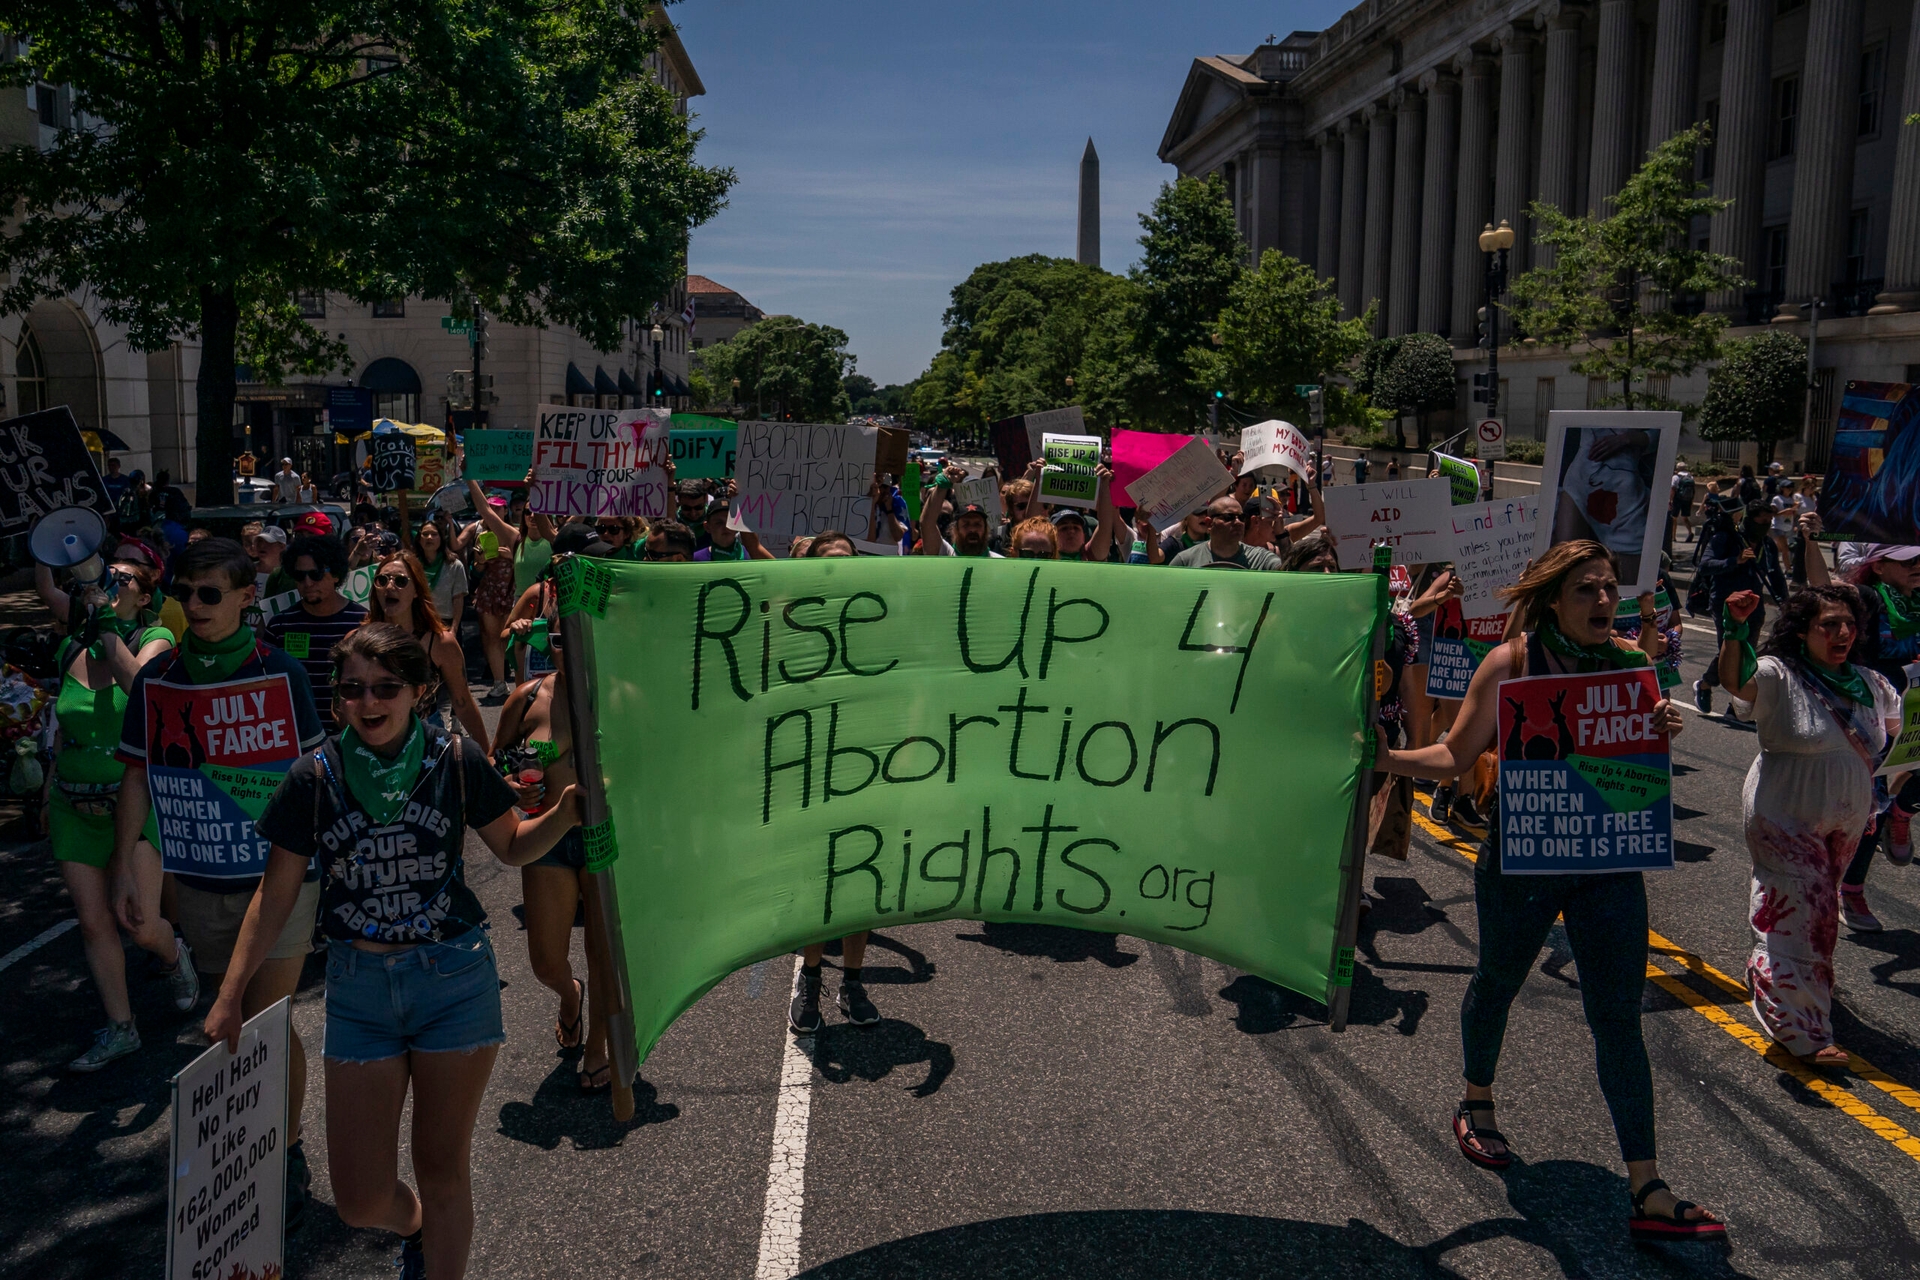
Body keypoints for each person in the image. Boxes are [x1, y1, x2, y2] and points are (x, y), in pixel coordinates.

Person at [205, 625, 581, 1280]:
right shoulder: (312, 777)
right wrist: (231, 993)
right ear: (337, 699)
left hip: (453, 979)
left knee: (442, 1172)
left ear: (418, 692)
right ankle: (413, 1229)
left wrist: (566, 814)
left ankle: (435, 1250)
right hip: (359, 990)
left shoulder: (456, 762)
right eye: (353, 689)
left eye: (385, 688)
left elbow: (514, 847)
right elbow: (274, 895)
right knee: (360, 1200)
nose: (368, 702)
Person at [1377, 540, 1721, 1244]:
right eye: (1586, 590)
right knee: (1498, 979)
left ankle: (1646, 1184)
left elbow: (1635, 761)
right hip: (1523, 858)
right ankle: (1477, 1100)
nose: (1602, 601)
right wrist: (1382, 756)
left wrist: (1663, 727)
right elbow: (1454, 756)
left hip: (1609, 863)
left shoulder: (1633, 663)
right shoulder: (1513, 662)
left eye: (1608, 588)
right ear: (1555, 600)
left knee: (1618, 1014)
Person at [113, 538, 329, 1226]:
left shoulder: (283, 673)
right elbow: (139, 775)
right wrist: (126, 863)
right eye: (186, 593)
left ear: (245, 597)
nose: (196, 606)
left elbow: (313, 775)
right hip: (199, 877)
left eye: (211, 593)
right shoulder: (156, 680)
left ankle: (285, 1150)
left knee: (266, 1018)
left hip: (279, 877)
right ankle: (241, 1146)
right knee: (223, 1022)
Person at [1716, 585, 1901, 1064]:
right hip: (1783, 814)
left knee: (1807, 912)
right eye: (1829, 625)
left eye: (1849, 625)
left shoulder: (1872, 684)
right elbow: (1737, 682)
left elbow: (1900, 734)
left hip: (1847, 818)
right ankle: (1802, 1030)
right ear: (1803, 631)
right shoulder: (1780, 675)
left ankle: (1772, 970)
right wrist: (1737, 628)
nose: (1842, 633)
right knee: (1810, 913)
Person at [43, 559, 182, 1071]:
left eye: (122, 578)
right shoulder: (70, 647)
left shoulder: (158, 636)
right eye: (106, 575)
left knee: (140, 924)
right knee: (93, 921)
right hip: (72, 805)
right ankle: (122, 1028)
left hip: (134, 803)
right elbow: (62, 729)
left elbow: (139, 687)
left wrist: (105, 627)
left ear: (144, 597)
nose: (110, 583)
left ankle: (172, 955)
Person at [493, 585, 614, 1092]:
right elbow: (495, 767)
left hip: (607, 838)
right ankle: (570, 997)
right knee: (545, 960)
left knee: (605, 953)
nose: (570, 647)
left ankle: (598, 1046)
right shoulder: (527, 698)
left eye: (580, 635)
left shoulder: (624, 694)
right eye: (560, 637)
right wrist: (515, 786)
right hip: (547, 836)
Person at [789, 532, 880, 1032]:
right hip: (808, 769)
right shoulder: (794, 623)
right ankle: (811, 979)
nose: (839, 567)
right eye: (828, 561)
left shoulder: (877, 617)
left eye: (847, 559)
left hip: (866, 768)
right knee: (816, 883)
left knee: (860, 881)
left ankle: (853, 981)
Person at [1805, 541, 1920, 928]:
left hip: (1914, 704)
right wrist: (1809, 541)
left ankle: (1902, 813)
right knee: (1874, 801)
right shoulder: (1869, 598)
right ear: (1879, 567)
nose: (1916, 567)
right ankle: (1851, 890)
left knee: (1896, 794)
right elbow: (1823, 587)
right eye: (1906, 562)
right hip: (1872, 710)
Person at [368, 552, 489, 743]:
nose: (389, 587)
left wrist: (486, 756)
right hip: (373, 740)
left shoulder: (441, 643)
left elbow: (462, 703)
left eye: (400, 581)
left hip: (426, 742)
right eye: (381, 580)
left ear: (417, 590)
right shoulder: (359, 641)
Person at [263, 535, 367, 733]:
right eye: (300, 575)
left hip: (349, 736)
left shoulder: (363, 622)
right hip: (296, 736)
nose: (308, 582)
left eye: (316, 574)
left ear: (336, 575)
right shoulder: (279, 626)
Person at [1692, 488, 1768, 716]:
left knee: (1748, 654)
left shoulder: (1766, 544)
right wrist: (1735, 560)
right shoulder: (1725, 538)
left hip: (1754, 605)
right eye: (1762, 520)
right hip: (1726, 604)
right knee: (1729, 651)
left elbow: (1772, 574)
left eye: (1769, 520)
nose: (1766, 524)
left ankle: (1735, 707)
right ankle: (1705, 685)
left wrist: (1786, 600)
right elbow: (1705, 565)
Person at [1169, 496, 1282, 570]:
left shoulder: (1261, 559)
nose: (1238, 522)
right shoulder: (1186, 561)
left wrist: (1281, 533)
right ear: (1209, 524)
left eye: (1241, 517)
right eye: (1229, 517)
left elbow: (1289, 574)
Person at [918, 467, 1003, 557]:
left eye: (977, 524)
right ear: (955, 530)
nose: (972, 529)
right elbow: (927, 523)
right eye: (966, 524)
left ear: (986, 529)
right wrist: (941, 487)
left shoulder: (999, 562)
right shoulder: (945, 554)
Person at [410, 513, 469, 634]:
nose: (429, 537)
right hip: (417, 621)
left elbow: (458, 599)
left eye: (434, 534)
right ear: (419, 539)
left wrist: (454, 628)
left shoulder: (454, 565)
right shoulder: (411, 565)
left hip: (445, 622)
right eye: (425, 534)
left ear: (441, 539)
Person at [252, 524, 295, 598]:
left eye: (268, 542)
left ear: (282, 546)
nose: (262, 546)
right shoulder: (246, 570)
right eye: (259, 541)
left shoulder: (288, 575)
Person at [1670, 462, 1696, 543]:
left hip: (1677, 499)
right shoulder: (1690, 477)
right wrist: (1692, 500)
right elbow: (1693, 490)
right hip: (1687, 500)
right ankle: (1690, 532)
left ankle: (1673, 536)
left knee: (1674, 518)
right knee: (1685, 518)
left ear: (1677, 468)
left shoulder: (1676, 477)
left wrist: (1670, 499)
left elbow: (1673, 489)